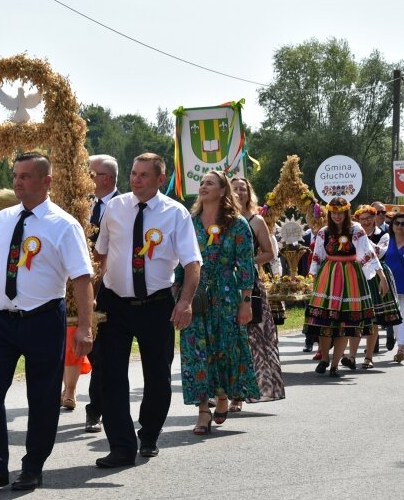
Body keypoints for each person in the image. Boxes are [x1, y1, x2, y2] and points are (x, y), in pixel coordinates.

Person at [0, 152, 94, 493]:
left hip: (42, 320)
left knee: (42, 396)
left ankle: (33, 466)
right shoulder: (3, 220)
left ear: (46, 181)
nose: (18, 182)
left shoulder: (64, 225)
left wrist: (84, 326)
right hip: (1, 321)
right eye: (16, 175)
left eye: (25, 176)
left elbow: (82, 278)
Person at [94, 152, 201, 467]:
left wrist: (185, 302)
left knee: (157, 376)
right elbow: (101, 255)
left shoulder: (175, 214)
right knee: (110, 376)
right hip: (114, 304)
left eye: (144, 175)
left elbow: (192, 265)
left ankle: (150, 434)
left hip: (156, 305)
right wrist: (92, 298)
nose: (136, 180)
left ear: (160, 179)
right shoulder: (115, 207)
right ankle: (122, 446)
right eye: (133, 173)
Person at [178, 171, 259, 435]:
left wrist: (246, 301)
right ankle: (203, 410)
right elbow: (181, 260)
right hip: (195, 294)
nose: (203, 187)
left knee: (225, 349)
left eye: (209, 183)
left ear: (223, 191)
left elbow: (246, 264)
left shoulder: (237, 225)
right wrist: (179, 296)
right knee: (195, 351)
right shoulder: (189, 223)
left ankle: (223, 396)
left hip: (226, 294)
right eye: (201, 183)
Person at [305, 197, 388, 377]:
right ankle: (325, 358)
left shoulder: (356, 230)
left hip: (351, 277)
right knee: (324, 319)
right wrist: (312, 279)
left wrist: (382, 277)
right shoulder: (323, 232)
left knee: (345, 322)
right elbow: (317, 257)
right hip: (329, 276)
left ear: (346, 212)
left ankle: (335, 365)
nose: (336, 216)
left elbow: (368, 253)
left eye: (340, 212)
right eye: (333, 212)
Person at [230, 177, 285, 409]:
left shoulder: (256, 220)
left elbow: (269, 253)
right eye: (235, 188)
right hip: (221, 285)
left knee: (250, 339)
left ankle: (240, 395)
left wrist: (244, 262)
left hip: (248, 284)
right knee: (227, 338)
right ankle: (222, 391)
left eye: (243, 188)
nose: (240, 192)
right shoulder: (220, 219)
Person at [79, 154, 120, 433]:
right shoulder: (81, 206)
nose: (86, 178)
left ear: (105, 178)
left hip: (111, 288)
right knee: (92, 350)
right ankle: (96, 405)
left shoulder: (124, 206)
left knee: (105, 351)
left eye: (90, 173)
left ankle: (97, 409)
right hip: (81, 286)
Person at [341, 205, 401, 369]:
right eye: (362, 219)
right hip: (357, 275)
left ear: (375, 218)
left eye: (369, 218)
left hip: (376, 275)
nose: (366, 222)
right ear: (357, 220)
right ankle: (352, 357)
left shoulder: (384, 235)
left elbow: (380, 252)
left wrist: (361, 238)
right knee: (356, 317)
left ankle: (368, 357)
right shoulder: (353, 233)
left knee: (373, 318)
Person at [378, 212, 404, 362]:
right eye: (397, 223)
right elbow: (379, 252)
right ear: (392, 225)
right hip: (390, 284)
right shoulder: (387, 239)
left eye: (403, 224)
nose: (400, 226)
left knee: (403, 316)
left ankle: (401, 347)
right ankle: (400, 344)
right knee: (395, 317)